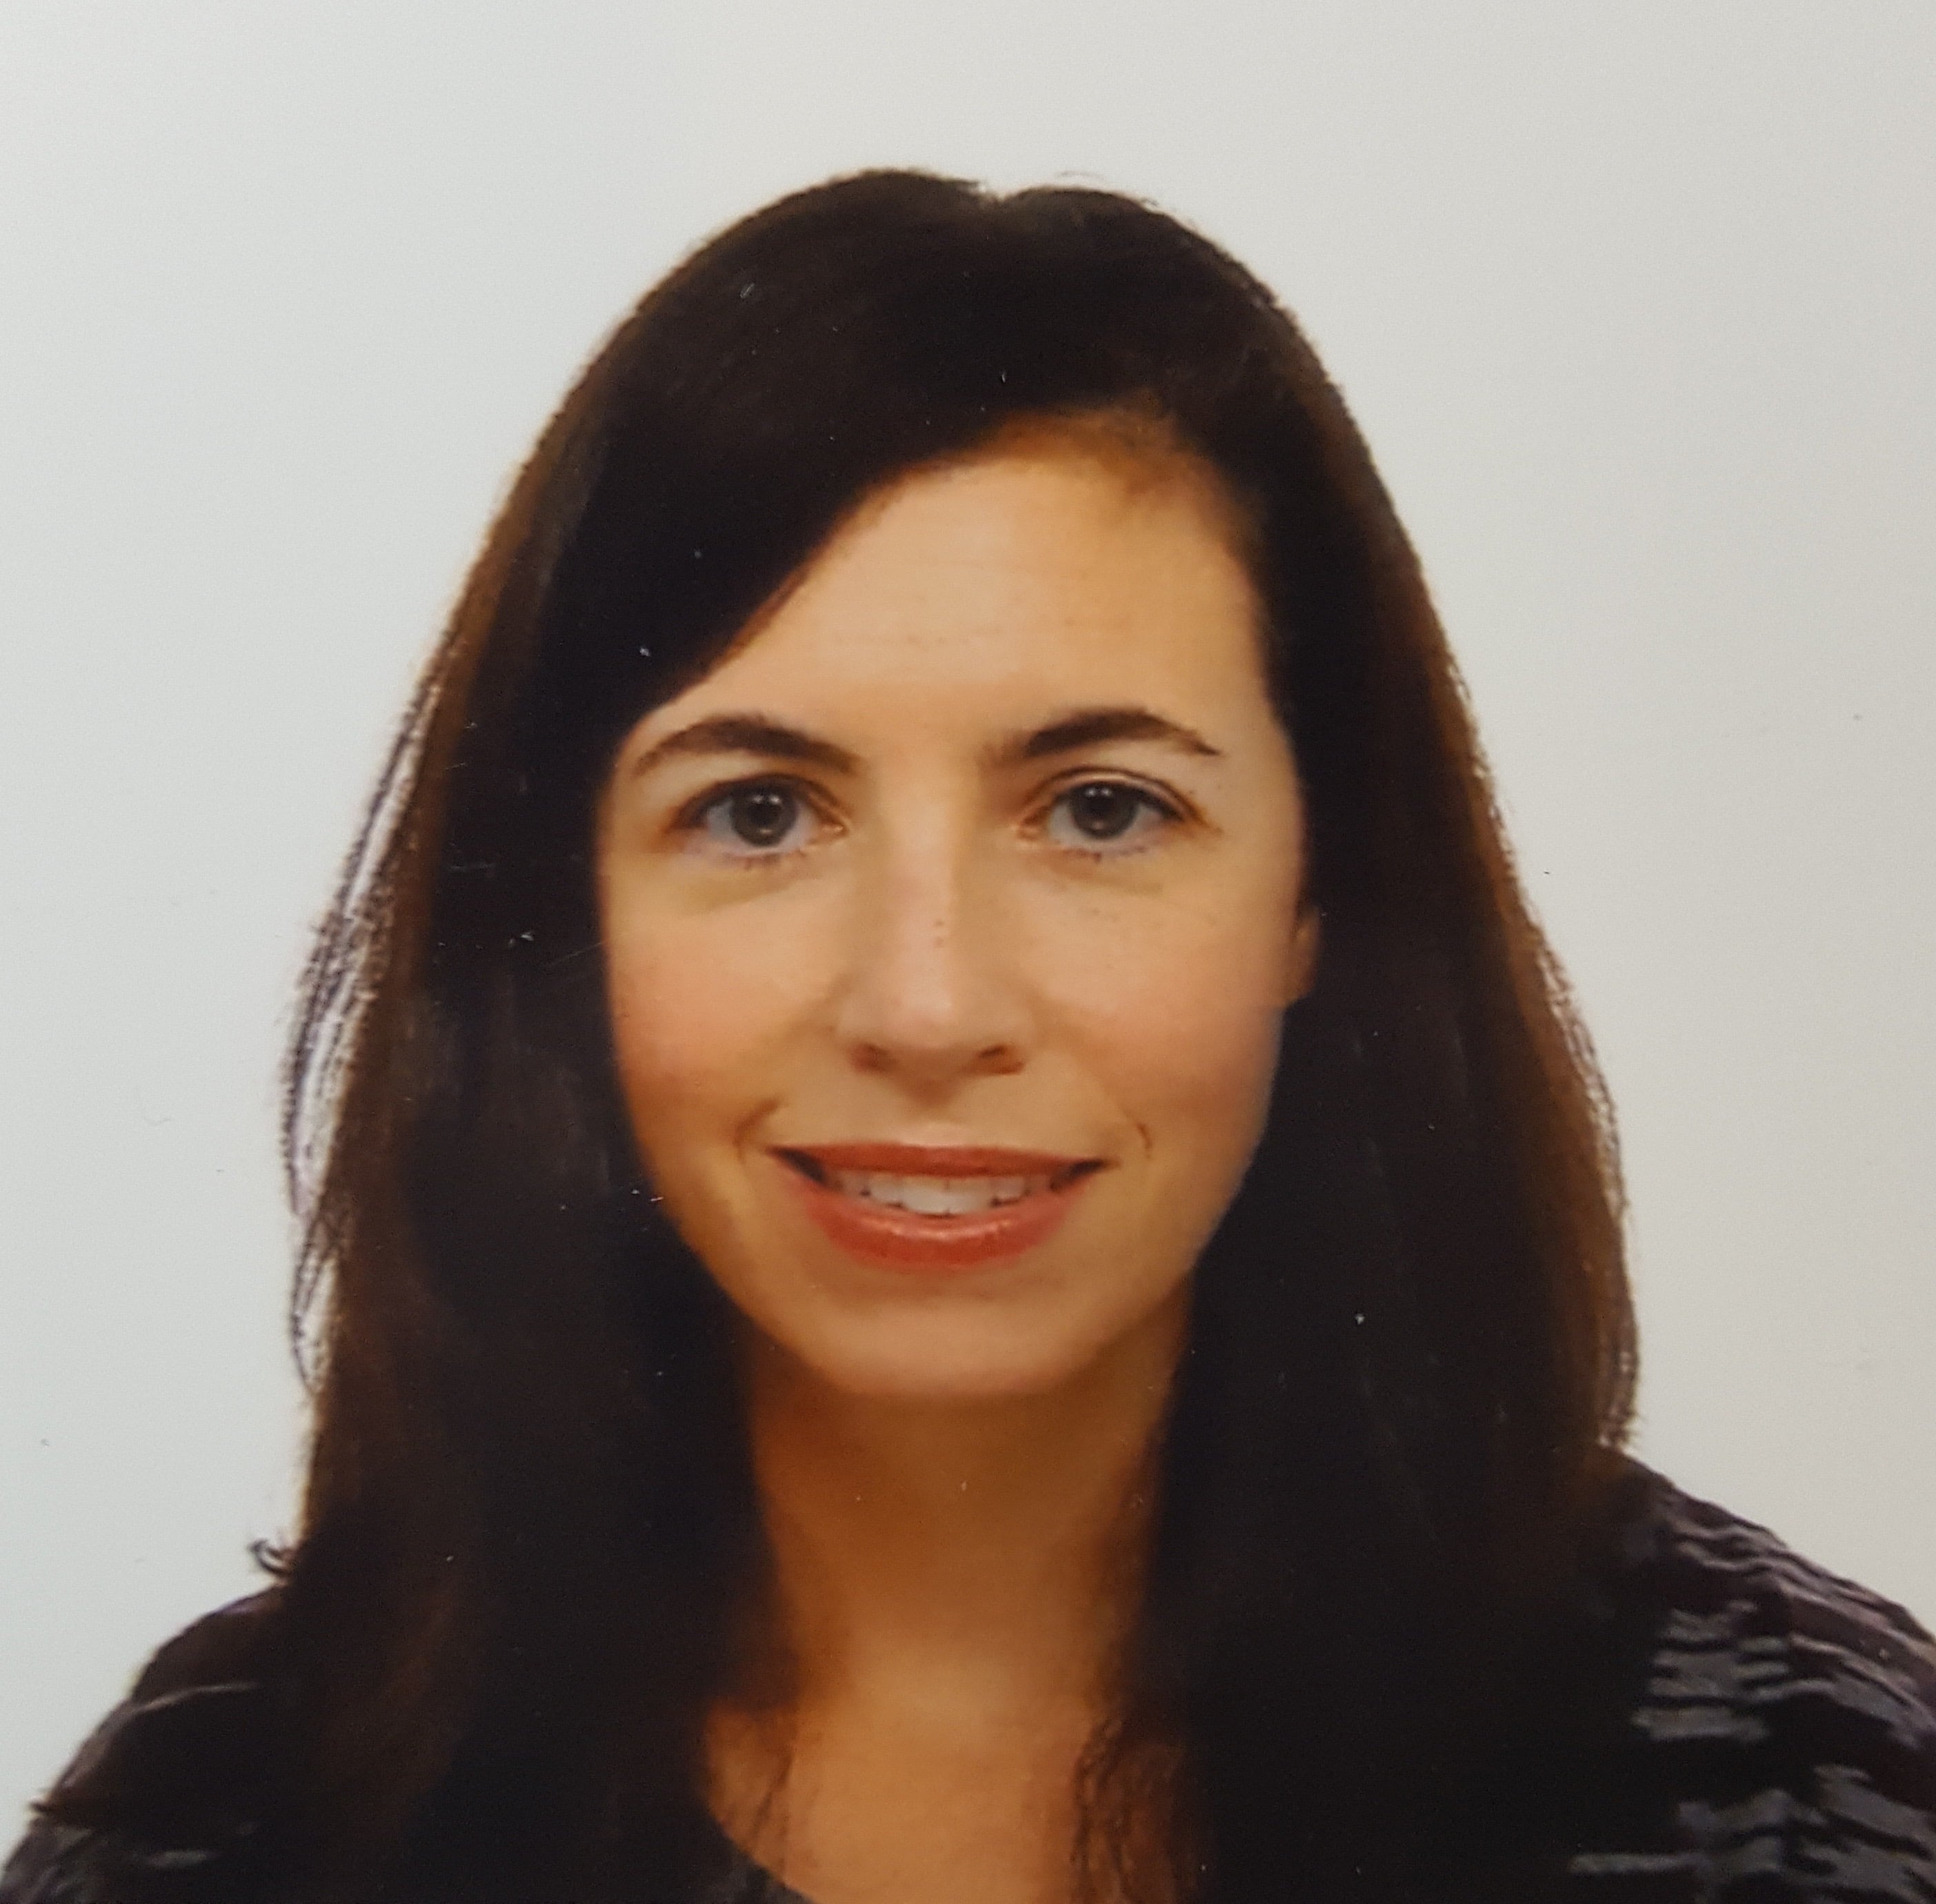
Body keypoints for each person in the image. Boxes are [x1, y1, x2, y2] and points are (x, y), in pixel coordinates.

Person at [3, 170, 1930, 1904]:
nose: (927, 1007)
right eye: (759, 811)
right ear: (563, 914)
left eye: (1101, 810)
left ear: (1318, 894)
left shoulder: (1800, 1786)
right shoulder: (231, 1828)